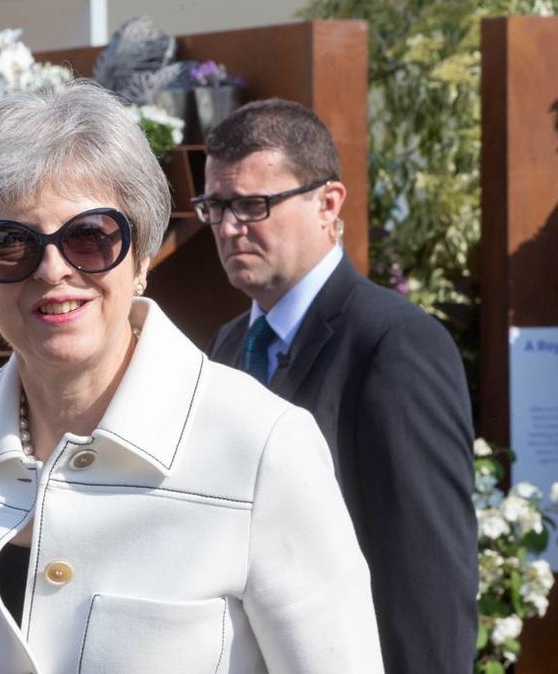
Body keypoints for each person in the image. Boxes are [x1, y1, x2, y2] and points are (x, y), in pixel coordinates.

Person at [0, 82, 383, 673]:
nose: (54, 270)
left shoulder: (261, 445)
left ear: (141, 259)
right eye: (12, 244)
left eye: (90, 237)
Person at [201, 98, 477, 674]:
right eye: (216, 206)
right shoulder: (226, 347)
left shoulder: (395, 344)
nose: (229, 228)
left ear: (328, 204)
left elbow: (427, 580)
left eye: (253, 205)